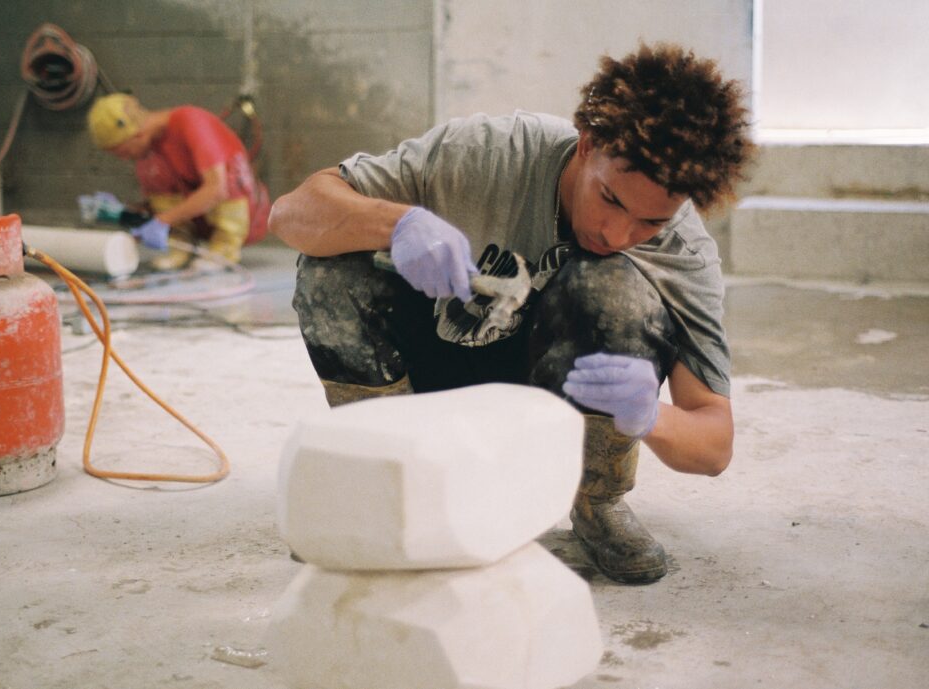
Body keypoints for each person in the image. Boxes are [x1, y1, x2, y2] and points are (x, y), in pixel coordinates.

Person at [270, 44, 754, 584]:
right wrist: (396, 223)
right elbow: (290, 213)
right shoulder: (487, 154)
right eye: (611, 200)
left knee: (618, 287)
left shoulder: (682, 253)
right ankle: (387, 484)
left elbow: (714, 444)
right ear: (587, 144)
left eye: (651, 223)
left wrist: (652, 416)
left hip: (553, 401)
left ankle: (596, 503)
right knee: (332, 273)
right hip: (436, 368)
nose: (617, 234)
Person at [86, 93, 269, 271]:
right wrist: (123, 212)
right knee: (154, 176)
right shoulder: (149, 151)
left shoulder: (191, 122)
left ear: (137, 135)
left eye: (123, 152)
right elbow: (163, 202)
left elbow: (217, 189)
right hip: (203, 220)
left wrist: (162, 221)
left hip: (246, 215)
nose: (125, 159)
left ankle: (223, 249)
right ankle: (181, 247)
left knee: (225, 179)